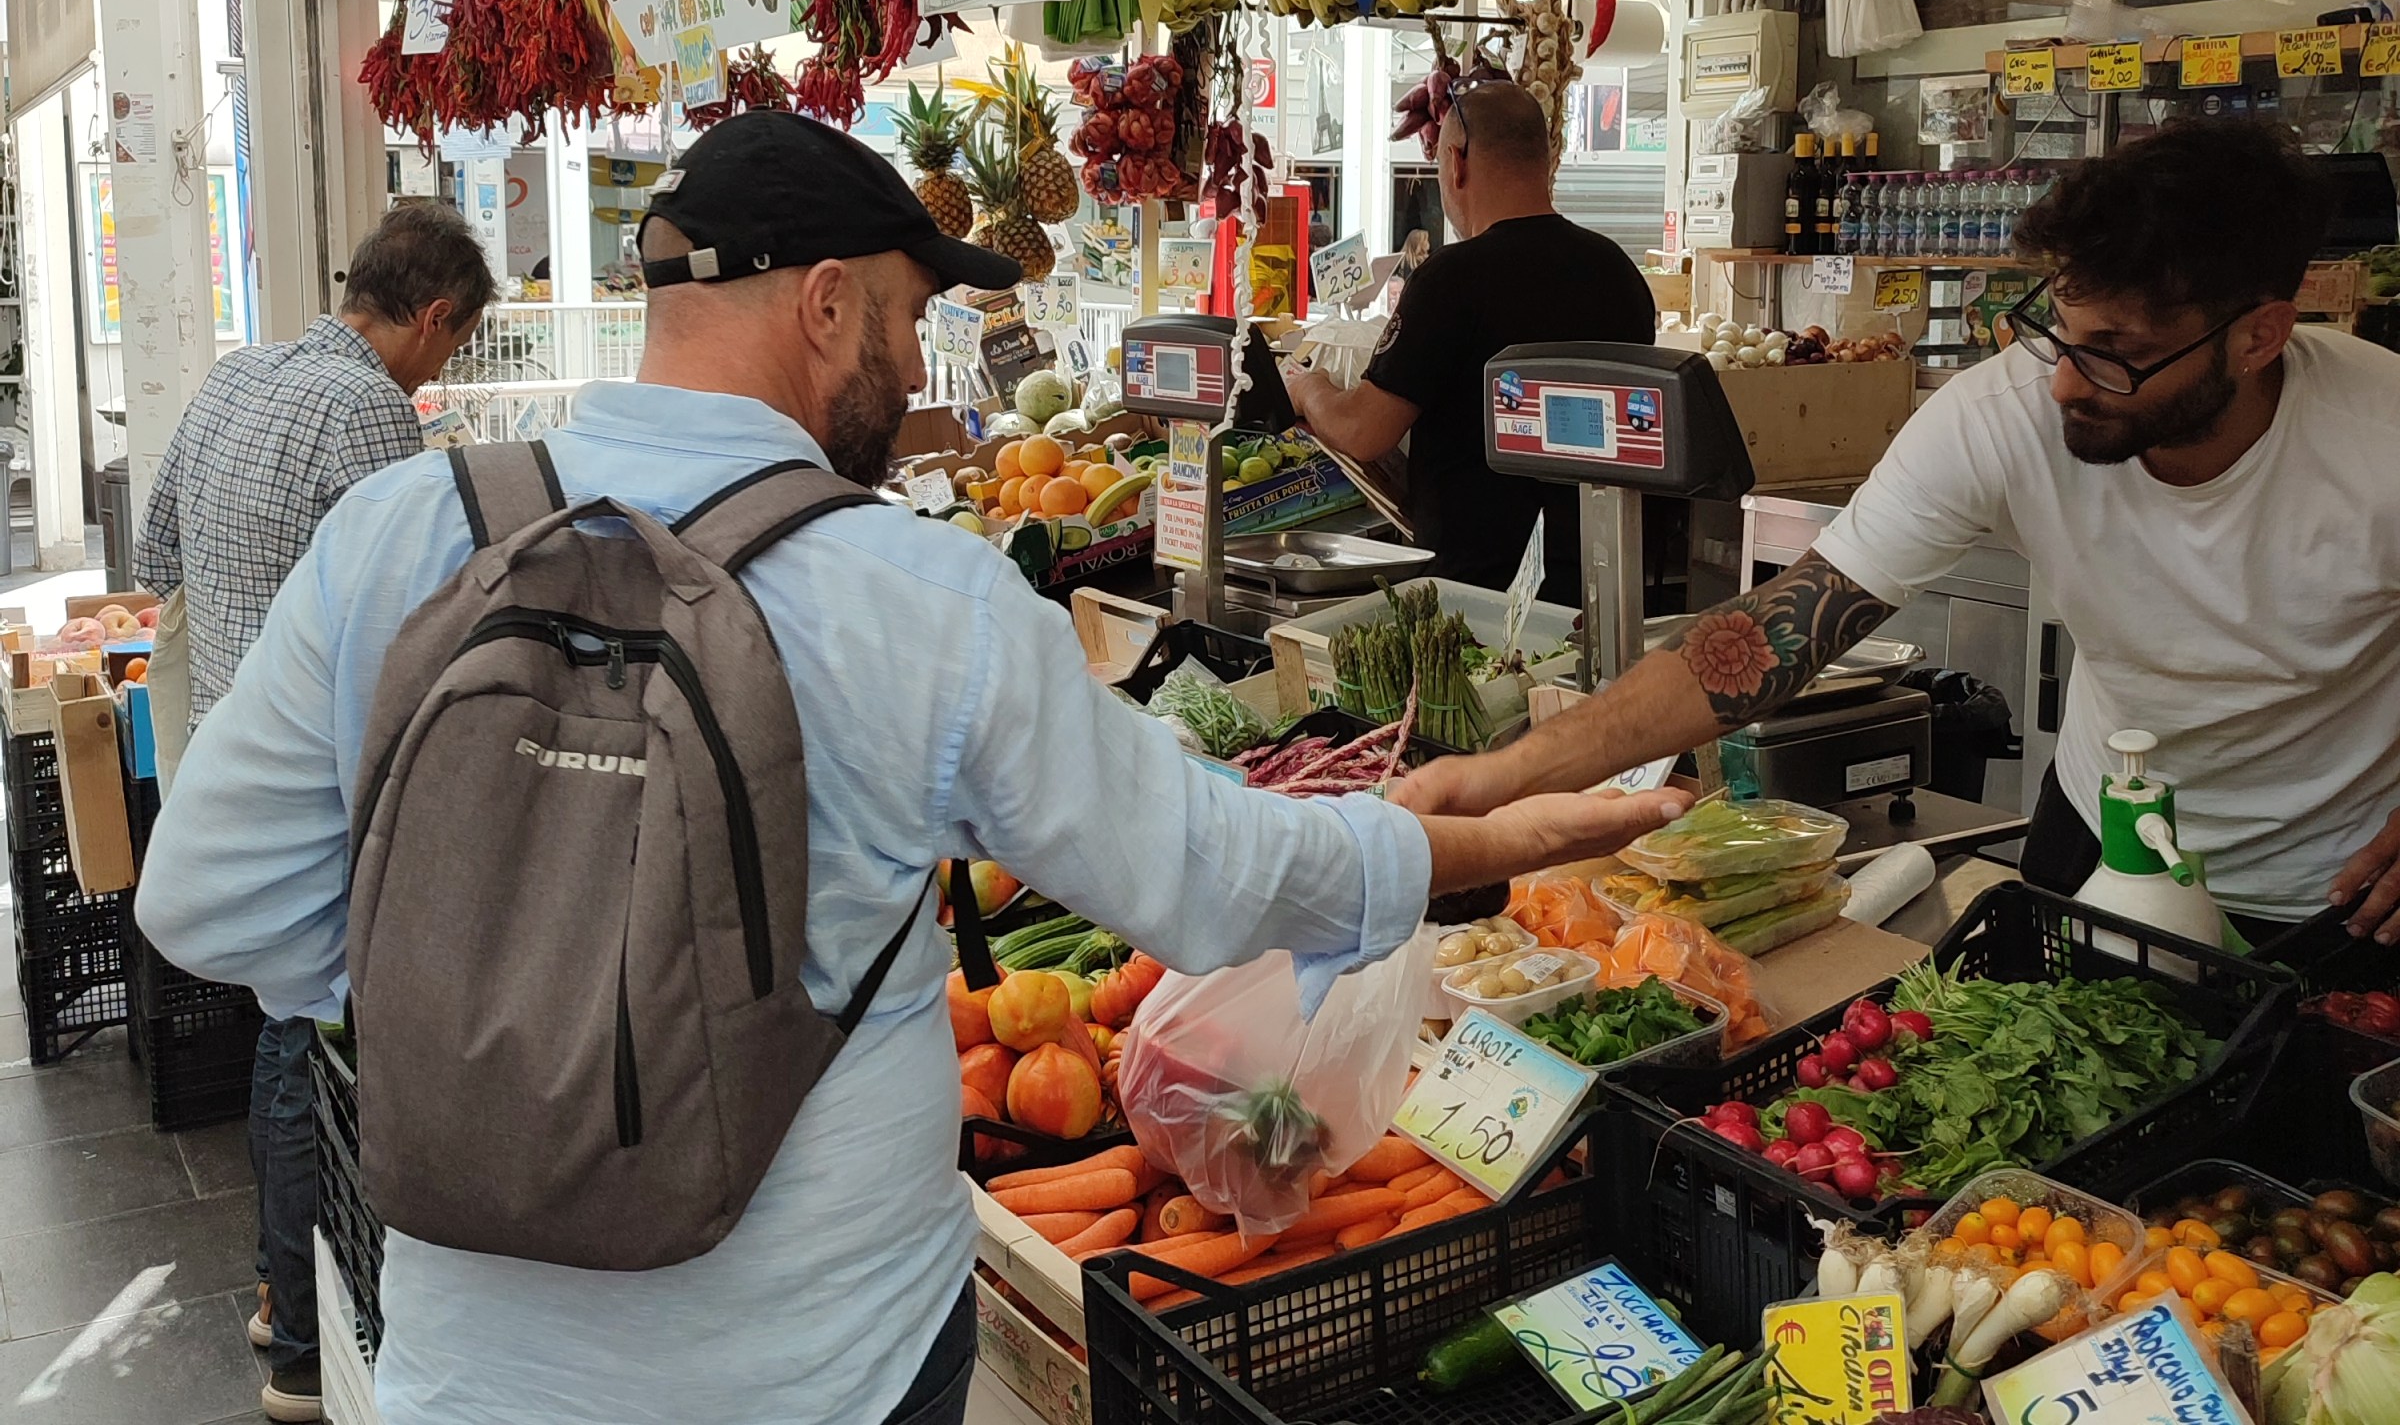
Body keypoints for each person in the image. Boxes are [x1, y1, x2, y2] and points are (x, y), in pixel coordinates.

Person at [133, 112, 1685, 1425]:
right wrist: (1470, 834)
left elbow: (206, 905)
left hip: (472, 1377)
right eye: (906, 313)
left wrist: (496, 981)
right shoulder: (916, 595)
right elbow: (1218, 884)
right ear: (823, 305)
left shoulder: (405, 532)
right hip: (825, 1370)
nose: (915, 352)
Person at [1393, 121, 2400, 939]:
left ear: (2262, 334)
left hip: (2336, 890)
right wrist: (1502, 775)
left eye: (2116, 354)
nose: (2061, 380)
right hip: (2103, 837)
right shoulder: (2001, 414)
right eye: (2060, 327)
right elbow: (1768, 638)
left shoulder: (2377, 439)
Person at [133, 197, 494, 1424]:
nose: (442, 369)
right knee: (307, 1042)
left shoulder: (239, 375)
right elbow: (426, 620)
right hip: (317, 781)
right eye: (453, 348)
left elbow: (155, 551)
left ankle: (271, 1278)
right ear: (433, 318)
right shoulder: (368, 413)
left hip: (221, 768)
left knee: (280, 1036)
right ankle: (298, 1336)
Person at [1284, 82, 1656, 603]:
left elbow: (1363, 430)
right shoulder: (1619, 275)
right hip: (1599, 593)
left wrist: (1309, 390)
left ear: (1456, 161)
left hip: (1477, 597)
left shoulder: (1450, 280)